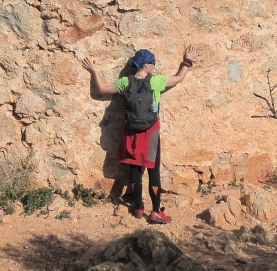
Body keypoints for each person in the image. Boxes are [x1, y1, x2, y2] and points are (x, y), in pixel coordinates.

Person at [82, 45, 197, 224]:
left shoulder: (126, 82)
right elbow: (179, 78)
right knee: (153, 171)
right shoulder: (156, 81)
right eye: (153, 64)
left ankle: (138, 208)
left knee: (135, 169)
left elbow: (103, 90)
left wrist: (94, 71)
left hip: (131, 131)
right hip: (151, 131)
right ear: (147, 65)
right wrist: (187, 60)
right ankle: (156, 211)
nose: (154, 67)